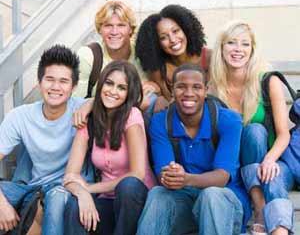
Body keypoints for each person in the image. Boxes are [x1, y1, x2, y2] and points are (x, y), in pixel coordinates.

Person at [137, 64, 250, 235]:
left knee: (211, 195)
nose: (189, 93)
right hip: (186, 201)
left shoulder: (228, 120)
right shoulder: (161, 122)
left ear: (206, 91)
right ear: (172, 90)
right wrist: (171, 175)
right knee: (158, 194)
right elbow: (163, 175)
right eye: (181, 87)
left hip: (224, 204)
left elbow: (221, 178)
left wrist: (186, 179)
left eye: (196, 87)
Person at [209, 20, 294, 235]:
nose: (238, 50)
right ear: (221, 48)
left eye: (245, 44)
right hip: (232, 166)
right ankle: (260, 207)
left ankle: (264, 215)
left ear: (253, 50)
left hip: (272, 160)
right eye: (231, 43)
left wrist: (269, 159)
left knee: (257, 136)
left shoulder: (268, 81)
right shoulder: (213, 87)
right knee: (249, 134)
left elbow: (283, 135)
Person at [0, 45, 93, 235]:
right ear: (39, 82)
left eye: (64, 81)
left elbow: (124, 100)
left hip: (66, 190)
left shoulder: (82, 110)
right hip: (32, 189)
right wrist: (2, 205)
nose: (56, 87)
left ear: (74, 86)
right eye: (49, 79)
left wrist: (91, 102)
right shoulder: (20, 116)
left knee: (55, 197)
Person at [64, 60, 156, 235]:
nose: (113, 91)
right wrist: (82, 194)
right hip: (107, 200)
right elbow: (70, 174)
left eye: (122, 88)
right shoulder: (89, 120)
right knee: (75, 206)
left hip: (137, 201)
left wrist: (89, 189)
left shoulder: (132, 116)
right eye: (109, 83)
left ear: (129, 93)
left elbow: (137, 174)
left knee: (128, 185)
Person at [73, 0, 158, 110]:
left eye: (121, 25)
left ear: (130, 29)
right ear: (100, 29)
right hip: (98, 116)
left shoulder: (142, 52)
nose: (114, 31)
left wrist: (153, 87)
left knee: (152, 99)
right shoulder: (88, 55)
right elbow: (75, 102)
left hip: (135, 116)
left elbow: (161, 86)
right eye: (108, 25)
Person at [135, 4, 211, 103]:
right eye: (163, 37)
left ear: (186, 30)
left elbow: (213, 97)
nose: (173, 40)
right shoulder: (159, 68)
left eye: (175, 31)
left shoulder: (209, 57)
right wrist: (158, 93)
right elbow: (169, 102)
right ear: (157, 43)